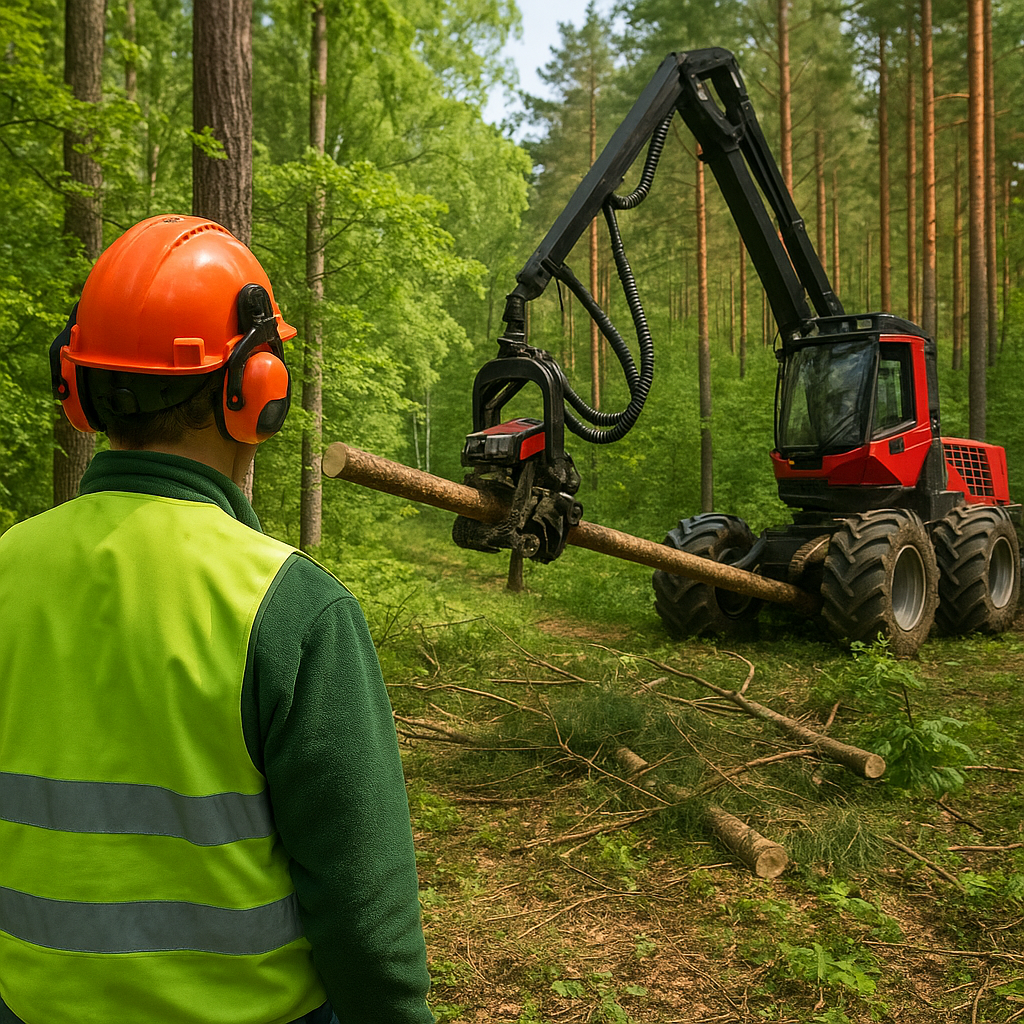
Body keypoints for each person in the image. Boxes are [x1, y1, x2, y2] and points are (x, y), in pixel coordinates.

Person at [0, 215, 434, 1024]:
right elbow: (366, 924)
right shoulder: (292, 606)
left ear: (77, 388)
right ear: (257, 392)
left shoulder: (7, 568)